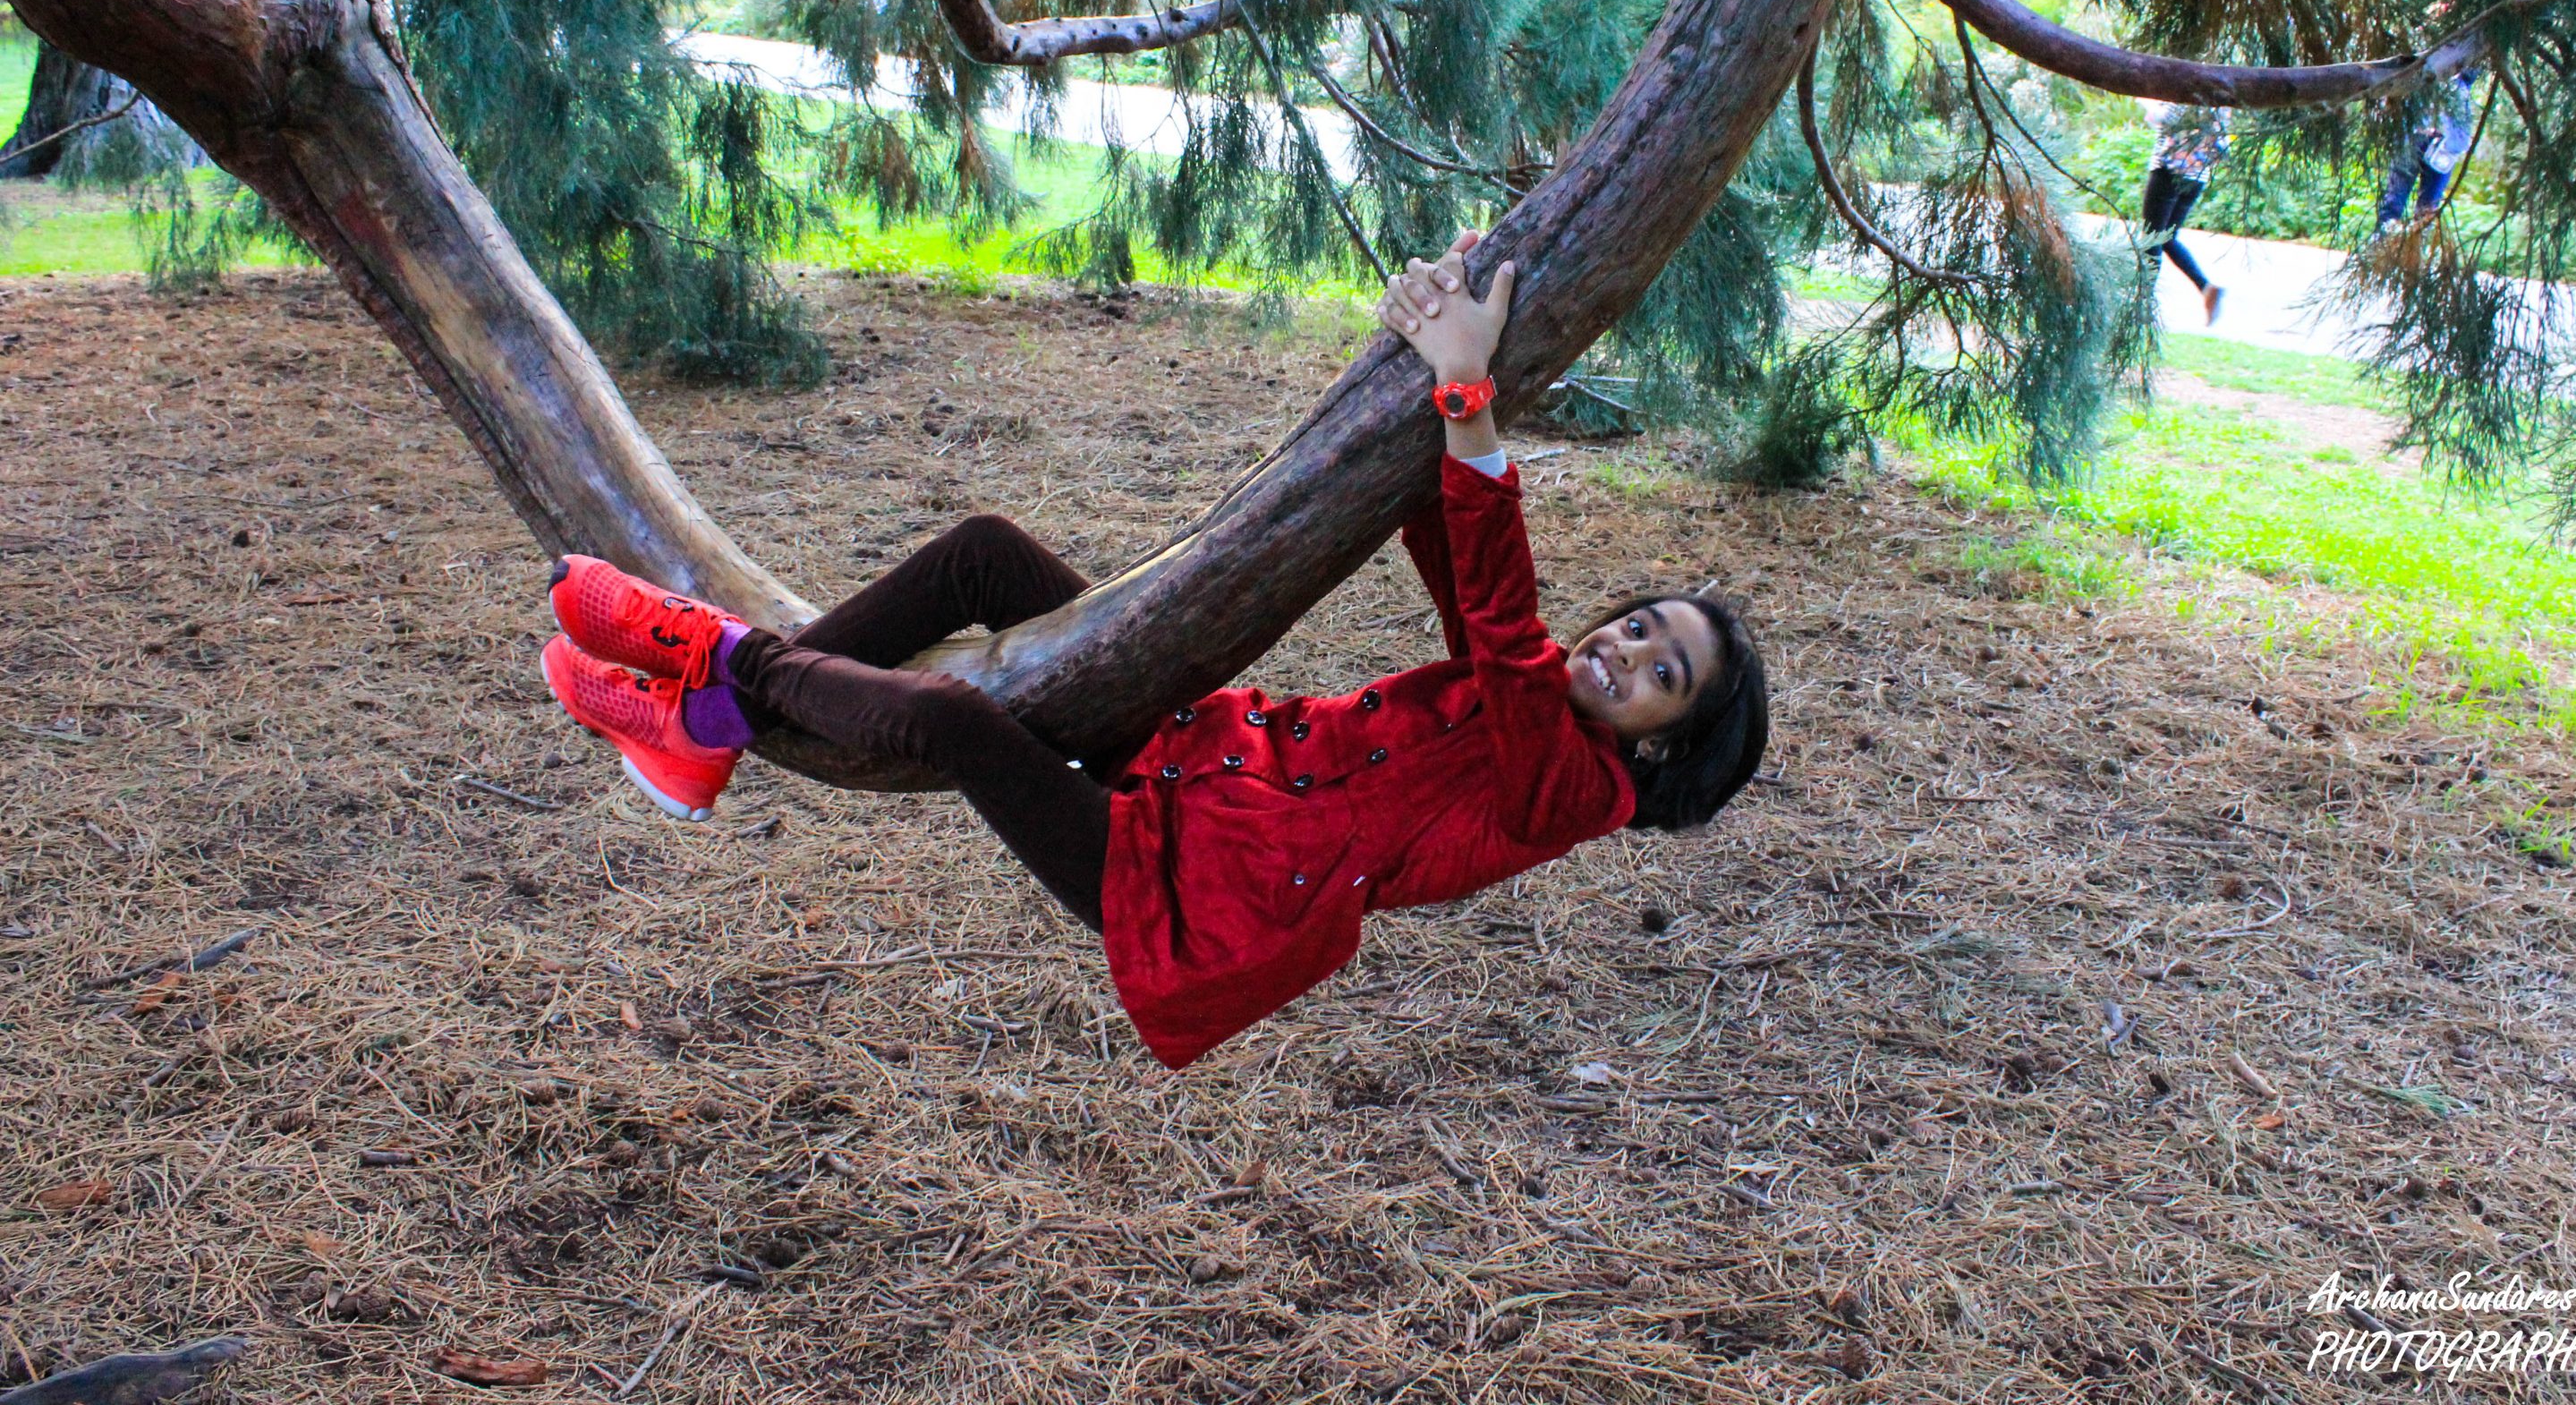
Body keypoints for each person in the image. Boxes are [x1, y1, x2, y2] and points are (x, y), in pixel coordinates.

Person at [531, 232, 1771, 1069]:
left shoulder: (1566, 793)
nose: (1626, 650)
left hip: (1195, 895)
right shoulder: (1530, 711)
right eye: (1644, 624)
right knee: (985, 557)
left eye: (1664, 675)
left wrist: (1467, 400)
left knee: (966, 726)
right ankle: (707, 733)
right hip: (1203, 761)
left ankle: (713, 674)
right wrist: (1426, 342)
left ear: (1664, 752)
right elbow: (1427, 517)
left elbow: (1500, 621)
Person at [2139, 98, 2229, 325]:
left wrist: (2145, 101)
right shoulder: (2221, 98)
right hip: (2197, 175)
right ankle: (2206, 288)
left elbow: (2163, 119)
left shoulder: (2186, 89)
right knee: (2167, 239)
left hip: (2170, 171)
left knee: (2152, 239)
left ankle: (2142, 305)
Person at [2373, 66, 2479, 234]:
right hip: (2414, 139)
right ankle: (2381, 246)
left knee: (2427, 211)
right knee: (2395, 204)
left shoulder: (2461, 89)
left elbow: (2462, 136)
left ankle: (2416, 251)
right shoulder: (2424, 69)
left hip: (2442, 148)